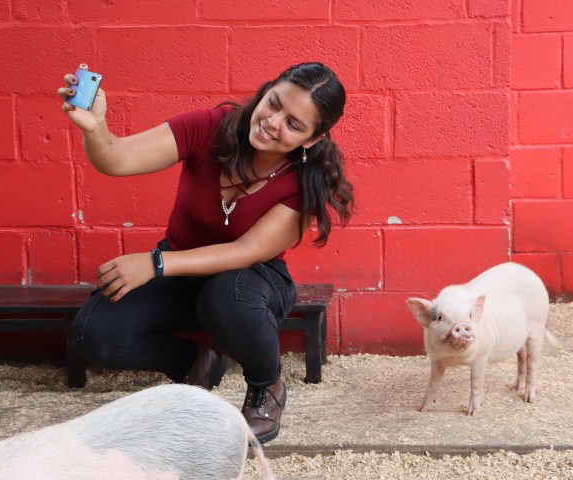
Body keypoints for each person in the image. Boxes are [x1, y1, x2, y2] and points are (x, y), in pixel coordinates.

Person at [57, 62, 353, 443]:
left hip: (251, 281)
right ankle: (195, 363)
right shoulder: (211, 128)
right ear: (265, 91)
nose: (272, 122)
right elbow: (119, 158)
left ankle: (267, 385)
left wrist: (155, 263)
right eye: (273, 103)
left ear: (312, 139)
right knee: (92, 334)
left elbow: (246, 251)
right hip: (179, 268)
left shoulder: (304, 182)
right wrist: (96, 128)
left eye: (294, 124)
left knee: (227, 295)